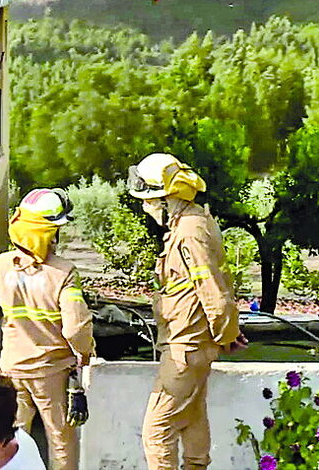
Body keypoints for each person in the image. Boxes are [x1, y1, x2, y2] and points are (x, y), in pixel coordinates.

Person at [127, 154, 247, 470]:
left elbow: (212, 289)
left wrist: (227, 333)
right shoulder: (195, 223)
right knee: (192, 419)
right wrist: (225, 334)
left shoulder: (188, 233)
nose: (147, 206)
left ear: (168, 198)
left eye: (152, 199)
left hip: (185, 346)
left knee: (157, 430)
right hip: (194, 344)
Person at [0, 188, 94, 470]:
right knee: (61, 439)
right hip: (52, 372)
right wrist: (85, 354)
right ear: (49, 233)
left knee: (13, 439)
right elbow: (75, 329)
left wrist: (6, 307)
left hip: (11, 369)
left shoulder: (0, 265)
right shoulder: (64, 272)